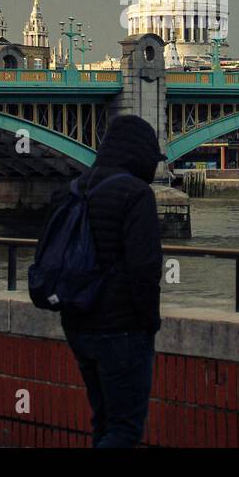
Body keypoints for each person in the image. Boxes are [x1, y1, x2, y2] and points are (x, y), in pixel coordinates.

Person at [55, 114, 164, 448]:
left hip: (77, 324)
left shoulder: (74, 188)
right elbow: (143, 268)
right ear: (139, 154)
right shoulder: (136, 193)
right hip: (123, 330)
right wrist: (149, 322)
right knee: (125, 429)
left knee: (103, 419)